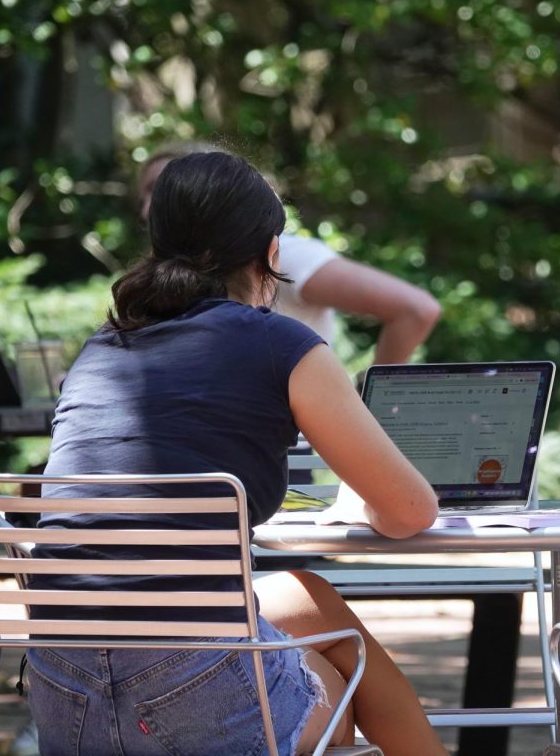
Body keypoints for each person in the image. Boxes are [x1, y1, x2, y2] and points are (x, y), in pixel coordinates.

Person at [24, 151, 446, 756]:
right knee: (339, 683)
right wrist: (366, 507)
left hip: (63, 694)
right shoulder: (283, 345)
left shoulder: (102, 349)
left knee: (307, 593)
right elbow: (411, 512)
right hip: (187, 702)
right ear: (272, 254)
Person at [137, 145, 441, 367]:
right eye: (145, 195)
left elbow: (415, 310)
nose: (146, 210)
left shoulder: (289, 255)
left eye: (159, 189)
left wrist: (375, 403)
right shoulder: (156, 287)